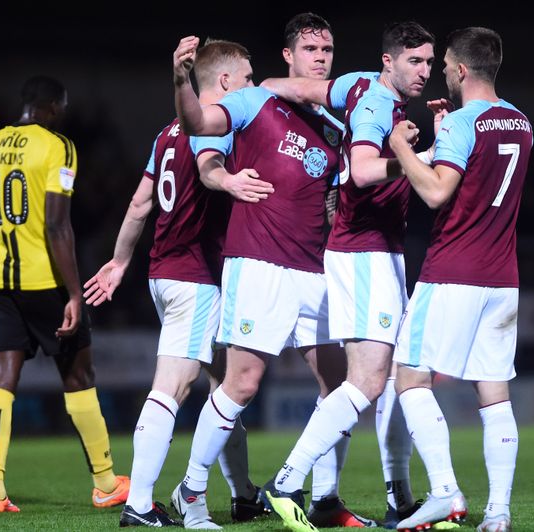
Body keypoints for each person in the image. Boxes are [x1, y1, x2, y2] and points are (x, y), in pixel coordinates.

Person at [168, 15, 359, 530]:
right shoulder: (256, 100)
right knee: (243, 384)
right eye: (311, 49)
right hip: (258, 263)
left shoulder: (334, 127)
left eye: (328, 48)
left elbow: (335, 201)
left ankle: (325, 498)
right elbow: (198, 125)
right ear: (288, 56)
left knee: (340, 385)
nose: (321, 57)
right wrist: (183, 79)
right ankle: (190, 492)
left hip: (314, 269)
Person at [82, 38, 271, 528]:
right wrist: (229, 181)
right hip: (195, 276)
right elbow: (211, 175)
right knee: (173, 387)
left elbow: (141, 203)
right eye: (248, 78)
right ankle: (139, 503)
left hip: (166, 272)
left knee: (228, 388)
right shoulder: (216, 131)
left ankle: (244, 493)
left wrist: (120, 261)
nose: (251, 87)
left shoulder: (167, 132)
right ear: (225, 81)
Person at [258, 21, 436, 531]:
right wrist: (417, 156)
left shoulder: (355, 84)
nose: (424, 72)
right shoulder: (378, 103)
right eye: (414, 62)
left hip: (381, 251)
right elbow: (361, 171)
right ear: (389, 61)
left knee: (397, 377)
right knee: (368, 380)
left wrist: (264, 92)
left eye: (428, 61)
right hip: (362, 252)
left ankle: (398, 500)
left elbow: (284, 86)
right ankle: (287, 482)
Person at [387, 26, 530, 532]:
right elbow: (484, 172)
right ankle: (499, 513)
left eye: (445, 64)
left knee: (410, 377)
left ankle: (445, 491)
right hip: (502, 278)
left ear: (463, 70)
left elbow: (436, 192)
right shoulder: (521, 121)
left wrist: (401, 148)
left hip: (453, 271)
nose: (441, 72)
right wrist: (452, 131)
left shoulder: (460, 125)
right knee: (494, 394)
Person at [0, 75, 129, 514]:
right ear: (54, 107)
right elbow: (57, 225)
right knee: (78, 377)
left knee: (2, 379)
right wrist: (75, 294)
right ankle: (104, 482)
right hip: (46, 282)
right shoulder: (58, 147)